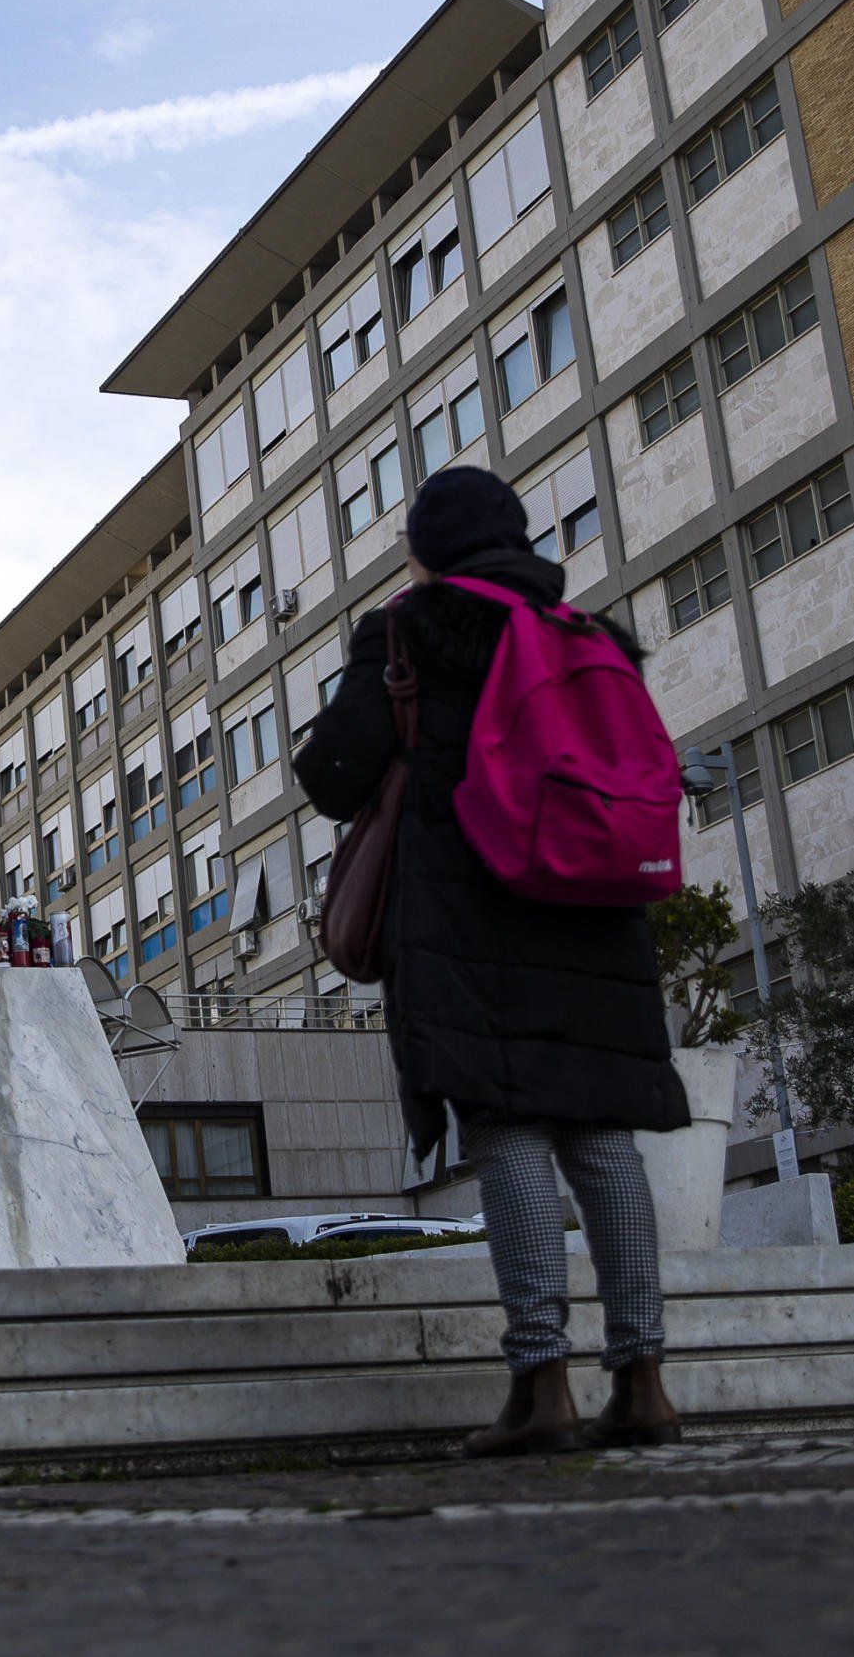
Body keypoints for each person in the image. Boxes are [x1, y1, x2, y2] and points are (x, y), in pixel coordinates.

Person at [290, 464, 686, 1454]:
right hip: (594, 915)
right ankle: (642, 1379)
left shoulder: (413, 628)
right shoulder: (593, 633)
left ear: (428, 546)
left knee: (507, 1134)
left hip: (472, 919)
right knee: (604, 1142)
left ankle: (539, 1384)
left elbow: (332, 771)